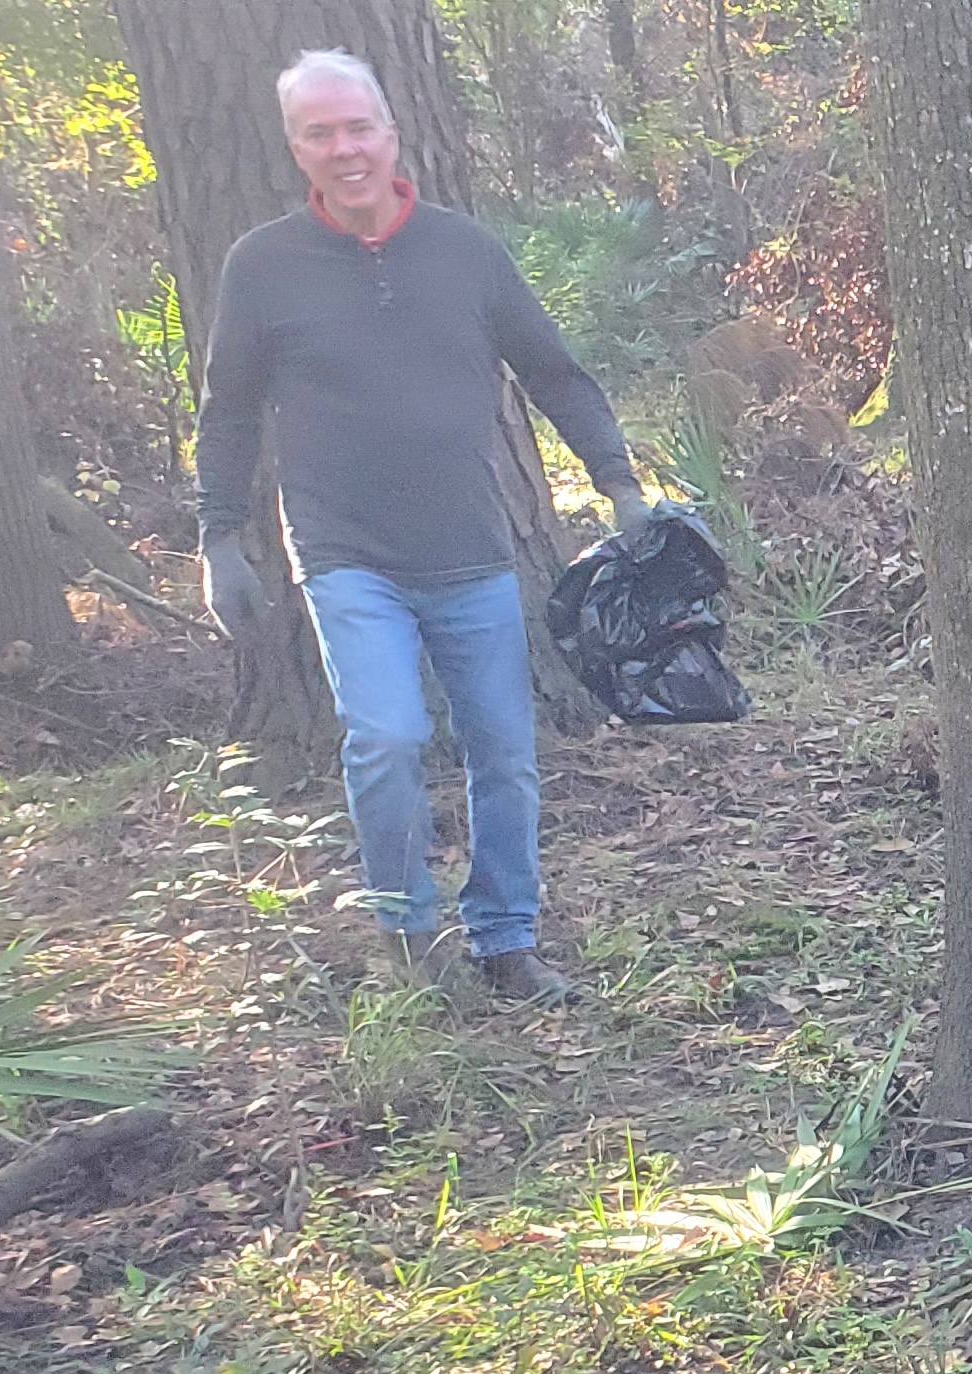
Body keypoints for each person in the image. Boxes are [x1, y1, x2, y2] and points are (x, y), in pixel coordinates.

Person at [193, 48, 647, 1005]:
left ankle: (507, 942)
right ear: (296, 148)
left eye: (359, 127)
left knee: (505, 755)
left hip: (471, 550)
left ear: (392, 135)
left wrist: (620, 483)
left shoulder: (464, 251)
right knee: (388, 736)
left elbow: (553, 370)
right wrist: (218, 535)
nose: (344, 147)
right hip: (346, 553)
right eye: (321, 133)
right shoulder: (262, 266)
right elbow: (227, 408)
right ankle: (406, 932)